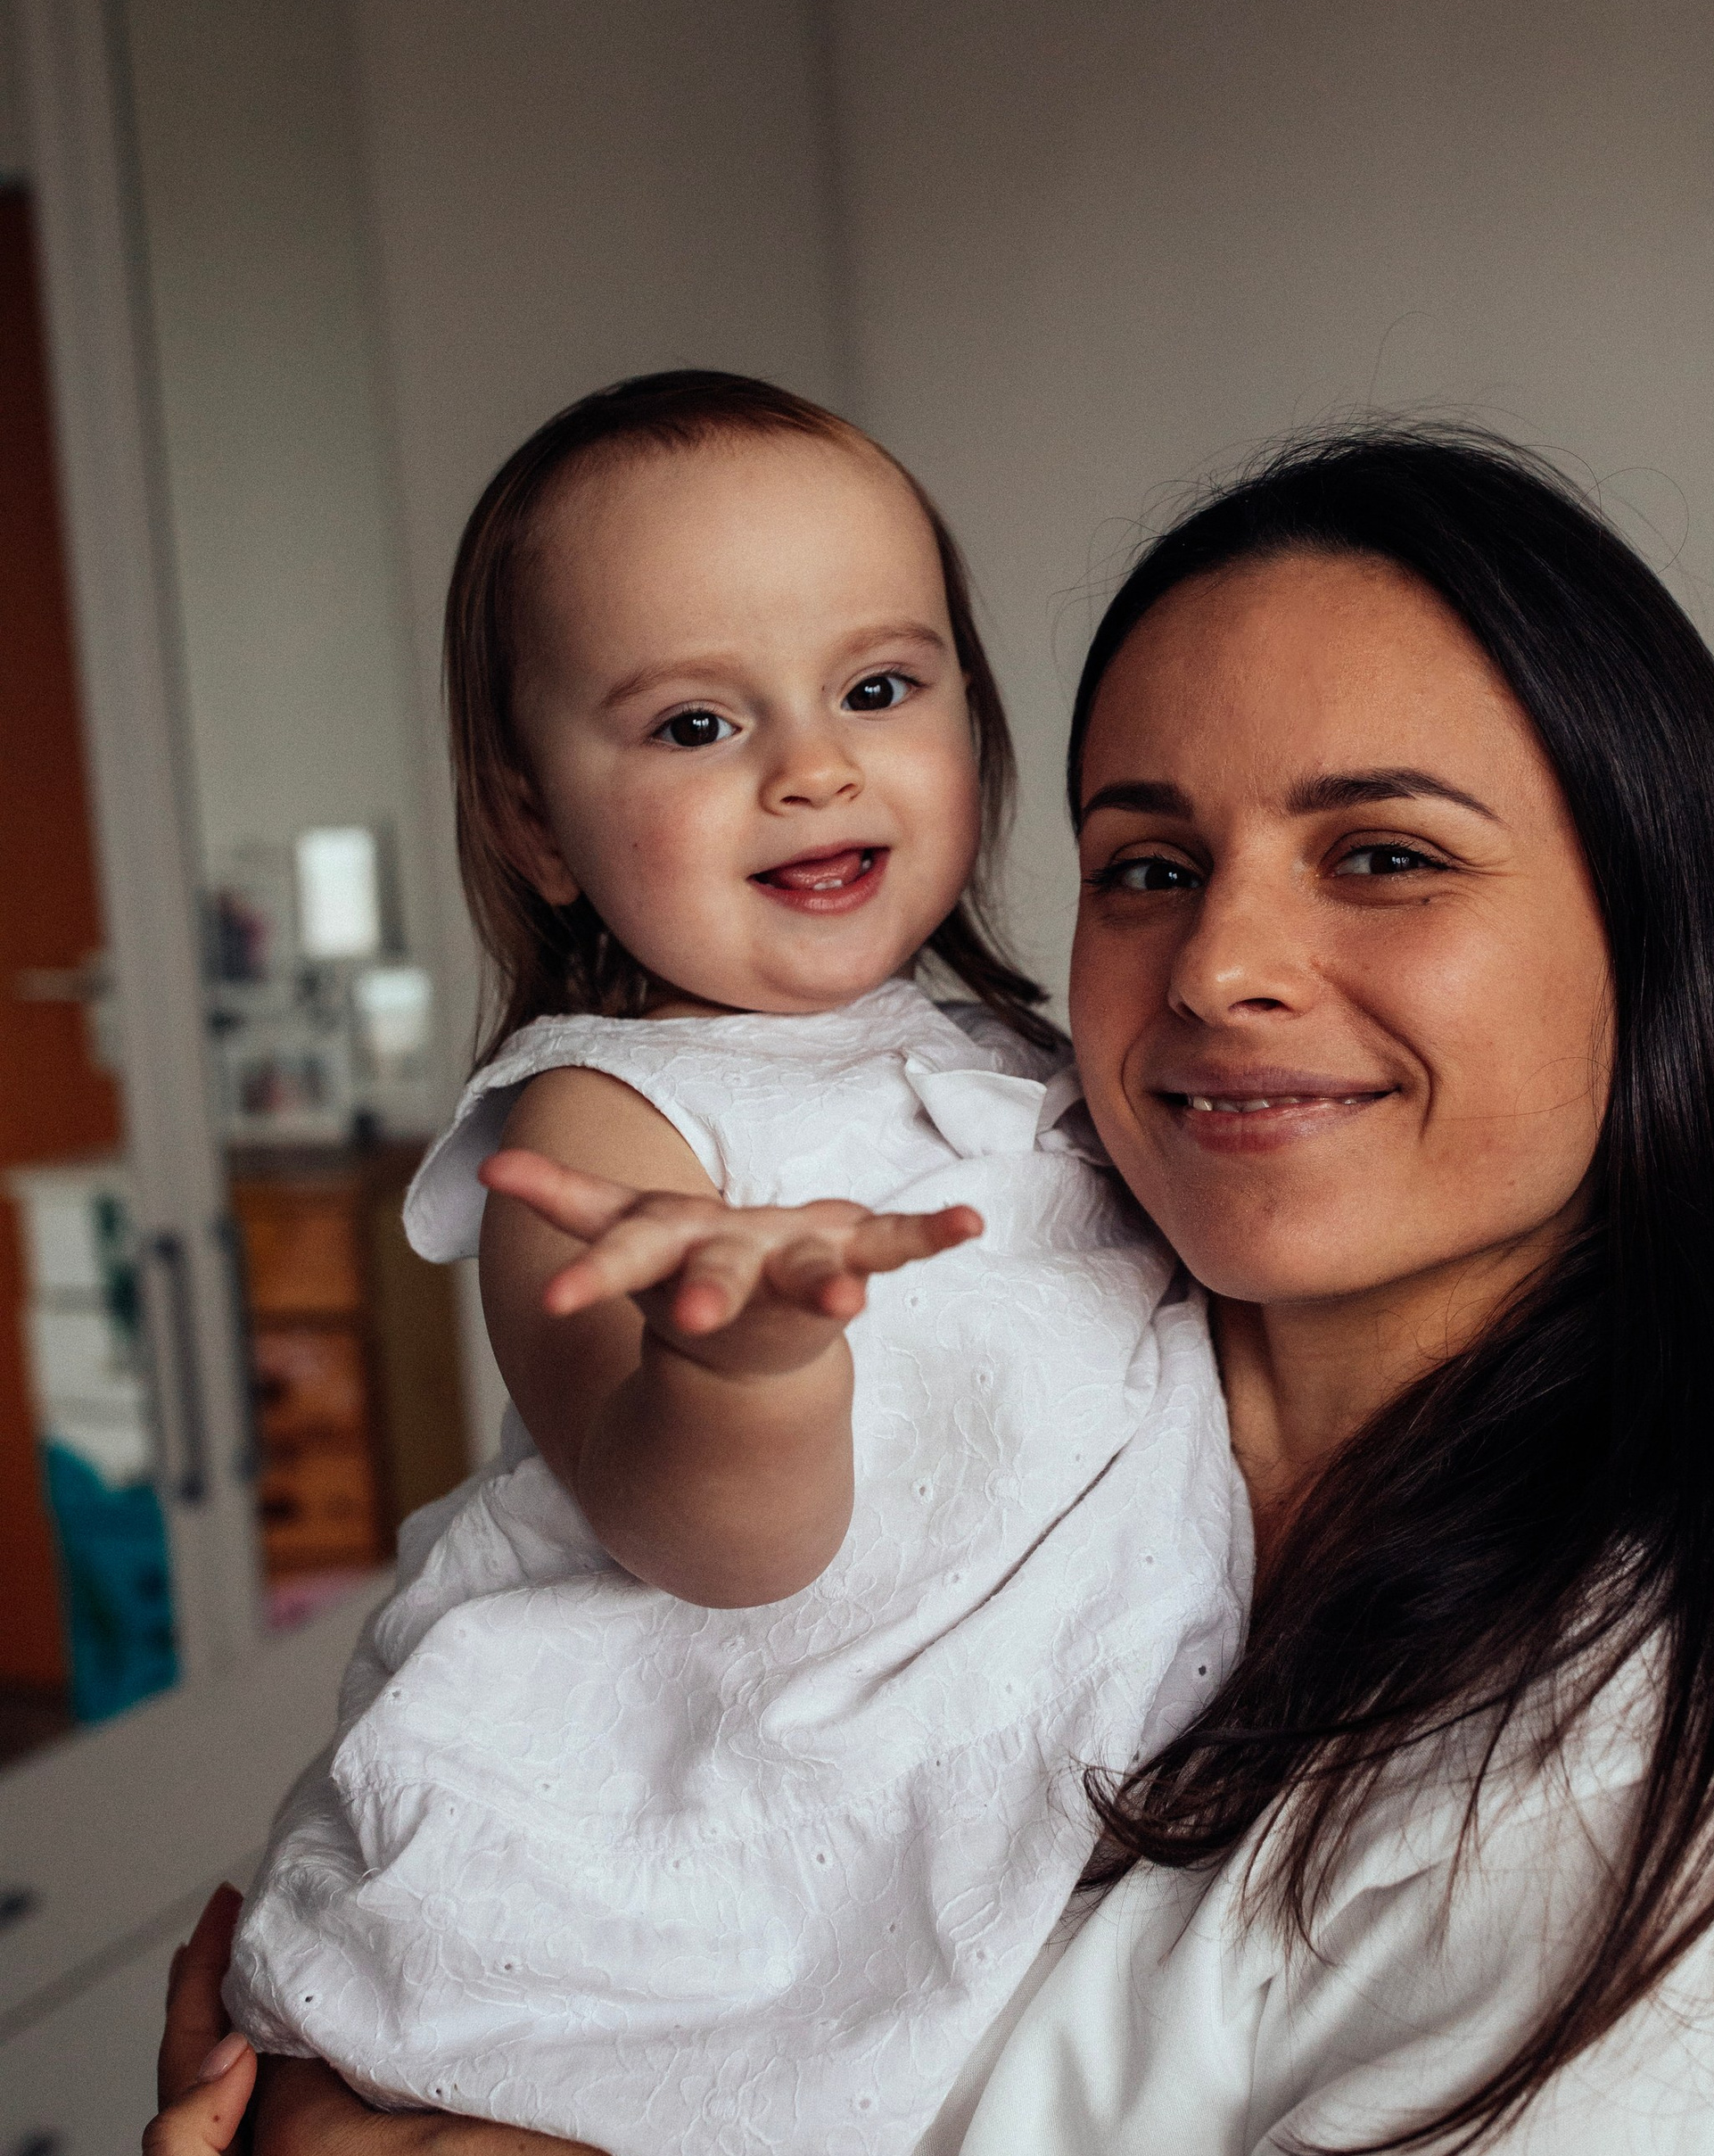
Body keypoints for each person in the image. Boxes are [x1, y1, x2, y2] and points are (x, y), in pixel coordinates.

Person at [152, 425, 1714, 2155]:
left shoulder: (1608, 1740)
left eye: (1382, 856)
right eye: (1149, 867)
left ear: (1659, 925)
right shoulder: (935, 1231)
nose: (1220, 968)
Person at [215, 372, 1247, 2152]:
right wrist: (744, 1363)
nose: (812, 767)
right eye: (696, 723)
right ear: (534, 824)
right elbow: (708, 1540)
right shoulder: (603, 1127)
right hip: (663, 1862)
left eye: (878, 688)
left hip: (968, 1808)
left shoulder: (1037, 1058)